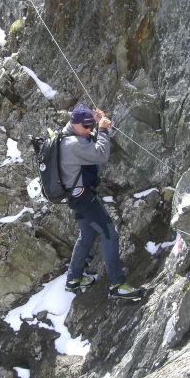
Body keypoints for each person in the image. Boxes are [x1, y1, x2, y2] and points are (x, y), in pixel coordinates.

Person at [60, 103, 144, 300]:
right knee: (109, 234)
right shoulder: (72, 144)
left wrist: (94, 122)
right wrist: (102, 129)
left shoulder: (67, 134)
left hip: (75, 196)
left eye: (91, 126)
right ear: (75, 123)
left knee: (87, 234)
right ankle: (117, 284)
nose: (89, 130)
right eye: (86, 127)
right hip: (84, 198)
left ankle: (73, 279)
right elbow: (101, 154)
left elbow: (84, 134)